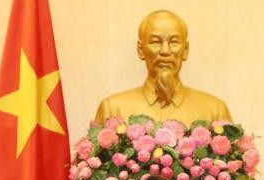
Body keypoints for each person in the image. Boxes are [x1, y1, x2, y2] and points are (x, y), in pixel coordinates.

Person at [95, 10, 232, 125]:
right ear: (141, 50)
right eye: (155, 42)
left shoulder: (214, 111)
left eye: (174, 42)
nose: (165, 51)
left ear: (185, 50)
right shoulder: (112, 110)